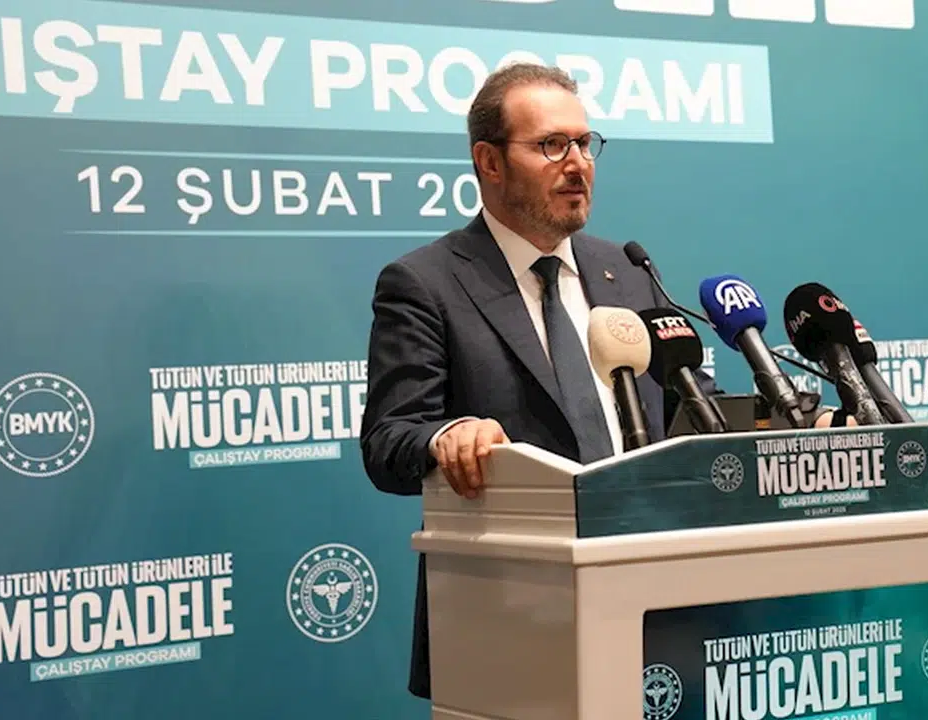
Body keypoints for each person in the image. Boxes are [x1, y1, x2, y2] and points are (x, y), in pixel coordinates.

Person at [360, 62, 839, 700]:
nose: (578, 164)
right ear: (489, 161)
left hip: (661, 606)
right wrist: (448, 435)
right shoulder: (425, 283)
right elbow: (389, 440)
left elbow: (693, 410)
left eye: (586, 144)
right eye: (551, 145)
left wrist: (802, 424)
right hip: (510, 617)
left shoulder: (627, 271)